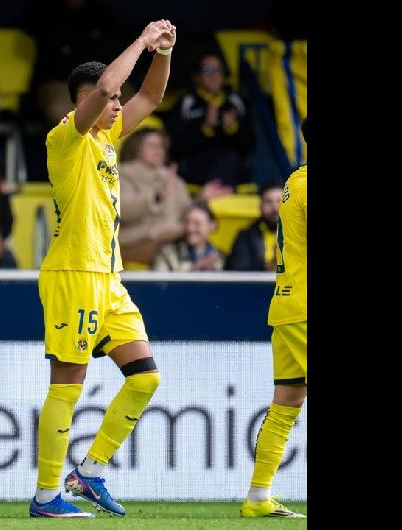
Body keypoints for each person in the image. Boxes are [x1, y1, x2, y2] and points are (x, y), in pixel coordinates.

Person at [29, 20, 176, 519]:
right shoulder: (65, 141)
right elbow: (114, 85)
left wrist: (163, 51)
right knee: (67, 385)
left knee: (145, 379)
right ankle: (47, 495)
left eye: (117, 104)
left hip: (109, 280)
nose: (119, 106)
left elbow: (152, 96)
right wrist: (140, 39)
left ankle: (88, 472)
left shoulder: (108, 143)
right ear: (86, 100)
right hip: (73, 273)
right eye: (111, 101)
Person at [240, 117, 307, 519]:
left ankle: (258, 496)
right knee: (286, 403)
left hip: (288, 304)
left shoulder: (294, 180)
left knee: (287, 401)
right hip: (305, 307)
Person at [166, 51, 254, 198]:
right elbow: (175, 146)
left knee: (230, 158)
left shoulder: (237, 102)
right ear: (196, 76)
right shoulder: (185, 103)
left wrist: (233, 129)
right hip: (196, 169)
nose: (214, 75)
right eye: (208, 70)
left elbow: (250, 144)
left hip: (232, 169)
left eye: (219, 70)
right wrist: (205, 129)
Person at [117, 128, 191, 266]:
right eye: (152, 145)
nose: (159, 150)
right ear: (136, 148)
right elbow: (119, 210)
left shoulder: (173, 179)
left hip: (173, 239)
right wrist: (155, 197)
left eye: (161, 146)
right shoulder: (122, 174)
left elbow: (188, 213)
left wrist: (203, 198)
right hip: (134, 243)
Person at [224, 184, 284, 271]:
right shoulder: (245, 236)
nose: (275, 208)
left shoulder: (299, 235)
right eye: (268, 202)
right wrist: (270, 265)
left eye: (280, 201)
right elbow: (239, 272)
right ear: (260, 206)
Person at [152, 201, 225, 271]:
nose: (190, 228)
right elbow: (158, 282)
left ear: (212, 225)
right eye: (187, 222)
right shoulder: (167, 253)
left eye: (197, 224)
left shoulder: (222, 258)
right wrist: (193, 269)